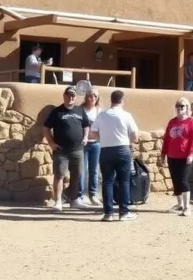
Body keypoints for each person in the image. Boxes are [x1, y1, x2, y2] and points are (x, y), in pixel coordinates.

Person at [89, 89, 139, 222]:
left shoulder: (102, 115)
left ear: (111, 100)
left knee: (107, 181)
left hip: (105, 150)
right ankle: (123, 212)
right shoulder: (126, 115)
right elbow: (134, 136)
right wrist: (128, 140)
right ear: (122, 101)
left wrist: (103, 137)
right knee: (123, 181)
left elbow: (92, 134)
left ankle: (108, 213)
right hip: (122, 149)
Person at [42, 86, 92, 212]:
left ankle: (74, 200)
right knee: (59, 175)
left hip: (77, 149)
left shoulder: (80, 110)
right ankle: (58, 201)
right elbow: (46, 128)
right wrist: (51, 143)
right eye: (68, 95)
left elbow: (86, 125)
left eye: (73, 96)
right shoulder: (57, 111)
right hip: (61, 150)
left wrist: (86, 137)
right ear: (64, 96)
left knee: (76, 174)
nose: (71, 98)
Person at [161, 97, 193, 216]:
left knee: (183, 181)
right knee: (176, 181)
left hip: (185, 156)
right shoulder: (172, 122)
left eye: (182, 106)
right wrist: (163, 154)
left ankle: (187, 206)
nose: (179, 109)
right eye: (178, 106)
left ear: (187, 108)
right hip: (172, 156)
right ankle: (179, 204)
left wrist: (191, 154)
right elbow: (167, 139)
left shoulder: (192, 122)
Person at [78, 86, 102, 206]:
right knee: (82, 170)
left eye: (94, 96)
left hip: (96, 143)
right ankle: (80, 195)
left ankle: (93, 194)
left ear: (97, 98)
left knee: (94, 170)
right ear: (86, 97)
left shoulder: (100, 111)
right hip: (83, 143)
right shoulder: (80, 109)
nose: (92, 98)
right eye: (90, 95)